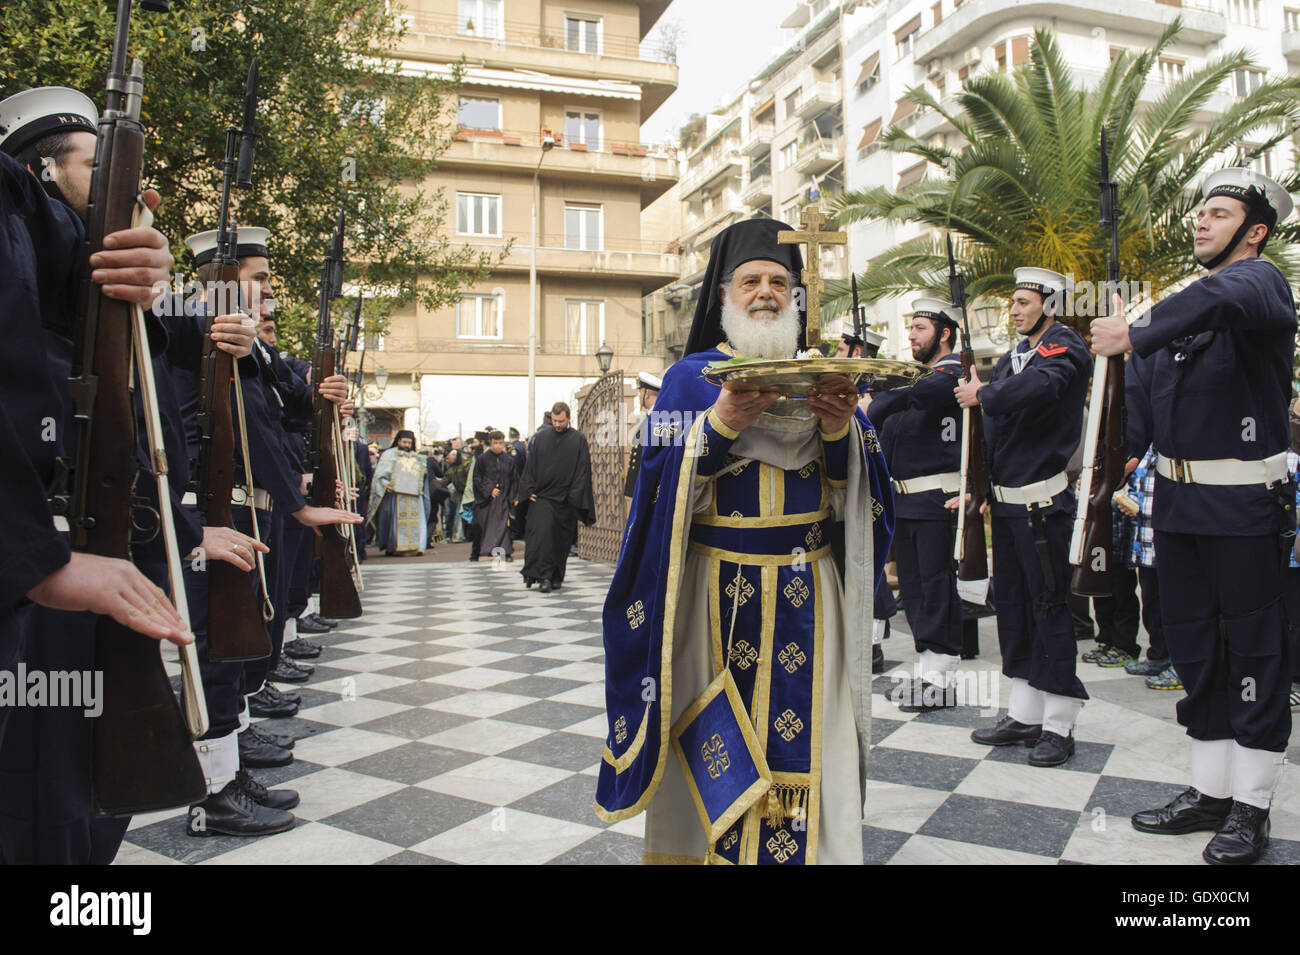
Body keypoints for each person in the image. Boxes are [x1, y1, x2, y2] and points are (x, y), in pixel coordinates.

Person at [594, 217, 895, 865]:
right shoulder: (689, 380)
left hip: (808, 591)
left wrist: (842, 431)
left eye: (780, 281)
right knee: (711, 747)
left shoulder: (826, 378)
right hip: (714, 593)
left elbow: (864, 499)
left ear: (798, 294)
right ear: (725, 295)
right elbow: (651, 490)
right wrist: (720, 424)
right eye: (751, 280)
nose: (766, 292)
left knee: (814, 744)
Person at [1093, 167, 1296, 865]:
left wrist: (1135, 326)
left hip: (1242, 508)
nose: (1201, 223)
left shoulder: (1259, 283)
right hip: (1176, 508)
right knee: (1196, 652)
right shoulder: (1189, 306)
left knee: (1254, 655)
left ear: (1255, 231)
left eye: (1218, 213)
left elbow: (1225, 296)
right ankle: (1211, 791)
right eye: (1199, 213)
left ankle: (1253, 805)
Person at [955, 267, 1090, 767]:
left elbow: (1041, 389)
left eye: (1023, 302)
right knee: (1013, 607)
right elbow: (1000, 431)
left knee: (1050, 608)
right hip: (1008, 505)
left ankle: (1059, 723)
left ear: (1049, 306)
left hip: (1043, 507)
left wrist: (983, 394)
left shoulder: (1064, 347)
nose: (1014, 310)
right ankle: (1025, 712)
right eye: (1013, 303)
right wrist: (982, 487)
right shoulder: (1015, 357)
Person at [864, 299, 966, 709]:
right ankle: (928, 669)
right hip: (904, 501)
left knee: (936, 587)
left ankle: (941, 677)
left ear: (944, 334)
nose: (911, 335)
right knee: (915, 589)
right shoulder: (918, 380)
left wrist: (892, 392)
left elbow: (909, 398)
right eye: (911, 328)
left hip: (937, 498)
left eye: (920, 328)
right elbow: (883, 414)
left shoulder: (953, 374)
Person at [518, 402, 594, 593]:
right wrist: (528, 490)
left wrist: (574, 496)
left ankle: (556, 576)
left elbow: (582, 470)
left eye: (561, 421)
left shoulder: (578, 439)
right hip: (542, 498)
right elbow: (530, 467)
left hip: (566, 500)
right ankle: (543, 577)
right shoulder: (541, 437)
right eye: (554, 420)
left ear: (568, 418)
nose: (558, 424)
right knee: (543, 538)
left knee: (562, 540)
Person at [367, 430, 431, 555]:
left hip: (413, 498)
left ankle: (416, 547)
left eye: (409, 443)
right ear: (398, 441)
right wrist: (386, 484)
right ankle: (394, 547)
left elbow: (422, 477)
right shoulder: (389, 455)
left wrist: (423, 473)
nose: (407, 445)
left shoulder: (416, 457)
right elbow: (379, 476)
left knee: (416, 521)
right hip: (395, 496)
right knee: (394, 522)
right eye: (405, 442)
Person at [472, 430, 518, 562]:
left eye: (500, 443)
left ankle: (505, 551)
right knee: (489, 525)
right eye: (495, 443)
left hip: (504, 498)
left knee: (504, 525)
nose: (498, 446)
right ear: (490, 443)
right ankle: (487, 550)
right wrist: (489, 490)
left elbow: (514, 479)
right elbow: (477, 478)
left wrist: (513, 497)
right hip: (488, 500)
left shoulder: (508, 460)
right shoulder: (482, 459)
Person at [623, 371, 662, 499]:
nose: (639, 395)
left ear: (647, 393)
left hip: (649, 493)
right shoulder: (652, 417)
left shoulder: (657, 419)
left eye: (640, 392)